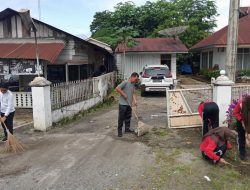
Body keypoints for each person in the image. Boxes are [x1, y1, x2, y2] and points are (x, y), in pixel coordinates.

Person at [115, 72, 139, 137]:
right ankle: (119, 131)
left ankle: (127, 129)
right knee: (121, 118)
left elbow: (133, 93)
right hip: (123, 104)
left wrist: (135, 100)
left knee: (128, 117)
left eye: (136, 80)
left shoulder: (133, 84)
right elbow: (117, 88)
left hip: (129, 104)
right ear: (132, 77)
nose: (136, 81)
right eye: (135, 79)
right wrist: (123, 94)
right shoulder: (125, 83)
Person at [234, 95, 250, 161]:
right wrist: (241, 120)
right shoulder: (241, 103)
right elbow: (236, 112)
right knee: (241, 138)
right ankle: (242, 154)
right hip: (241, 122)